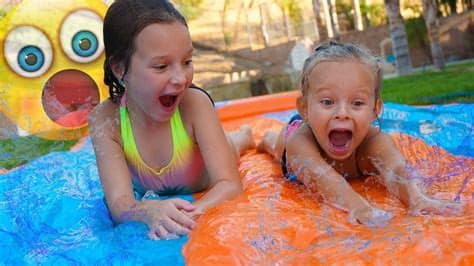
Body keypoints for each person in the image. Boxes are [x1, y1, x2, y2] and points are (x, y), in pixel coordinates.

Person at [88, 0, 254, 240]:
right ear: (119, 68)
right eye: (161, 66)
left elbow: (229, 183)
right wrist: (148, 211)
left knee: (232, 148)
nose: (181, 78)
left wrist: (185, 217)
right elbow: (120, 205)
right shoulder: (105, 122)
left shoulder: (194, 105)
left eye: (187, 62)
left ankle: (243, 137)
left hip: (202, 173)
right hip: (181, 166)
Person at [257, 41, 464, 227]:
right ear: (304, 108)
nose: (342, 113)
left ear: (375, 110)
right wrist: (359, 207)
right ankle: (251, 137)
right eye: (328, 102)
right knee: (274, 144)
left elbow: (396, 169)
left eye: (357, 103)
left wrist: (417, 198)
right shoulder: (300, 142)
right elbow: (325, 178)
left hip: (321, 128)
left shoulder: (375, 141)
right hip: (295, 135)